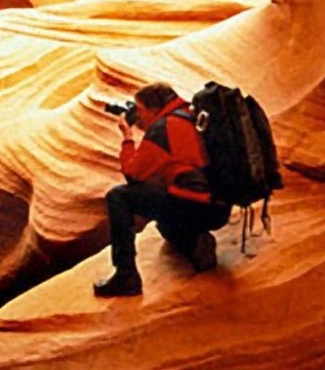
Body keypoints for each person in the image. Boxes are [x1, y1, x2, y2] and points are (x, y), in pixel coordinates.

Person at [94, 82, 232, 297]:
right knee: (164, 223)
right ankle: (196, 244)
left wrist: (128, 137)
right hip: (219, 207)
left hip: (196, 207)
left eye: (140, 110)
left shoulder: (162, 129)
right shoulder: (191, 115)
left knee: (119, 196)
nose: (138, 116)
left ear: (153, 108)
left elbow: (133, 174)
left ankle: (125, 276)